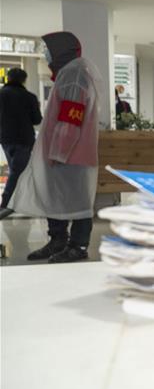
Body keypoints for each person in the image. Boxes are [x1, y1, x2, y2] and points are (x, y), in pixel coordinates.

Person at [9, 32, 100, 262]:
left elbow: (71, 118)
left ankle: (78, 246)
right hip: (62, 151)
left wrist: (59, 152)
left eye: (48, 48)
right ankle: (58, 240)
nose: (45, 53)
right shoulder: (68, 73)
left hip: (71, 153)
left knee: (79, 200)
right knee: (56, 196)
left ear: (61, 51)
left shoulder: (74, 75)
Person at [0, 67, 42, 218]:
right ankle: (6, 203)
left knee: (16, 170)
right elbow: (37, 120)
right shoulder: (29, 97)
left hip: (5, 138)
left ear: (8, 78)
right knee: (18, 171)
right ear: (24, 80)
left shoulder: (1, 95)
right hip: (24, 139)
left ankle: (16, 203)